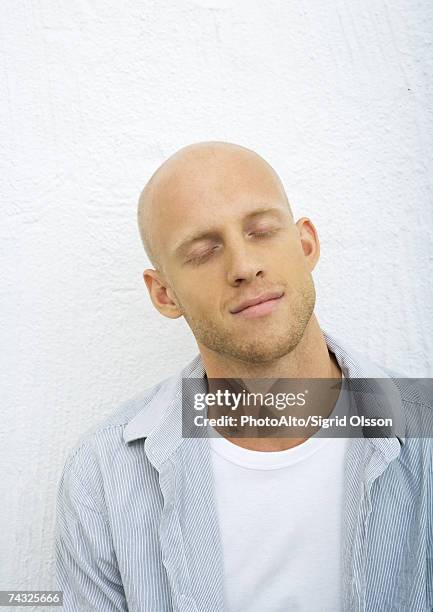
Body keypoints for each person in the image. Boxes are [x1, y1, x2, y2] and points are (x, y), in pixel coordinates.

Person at [55, 141, 432, 611]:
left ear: (305, 244)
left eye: (261, 230)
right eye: (203, 251)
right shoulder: (103, 478)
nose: (243, 266)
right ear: (164, 294)